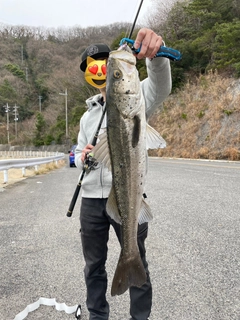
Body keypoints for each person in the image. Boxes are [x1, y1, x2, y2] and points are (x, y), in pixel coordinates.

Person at [75, 28, 172, 320]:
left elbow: (161, 87)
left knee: (137, 257)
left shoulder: (137, 93)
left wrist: (156, 57)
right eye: (92, 64)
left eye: (107, 63)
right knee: (94, 265)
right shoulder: (85, 116)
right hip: (91, 201)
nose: (103, 68)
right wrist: (84, 157)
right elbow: (79, 156)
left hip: (127, 196)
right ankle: (97, 315)